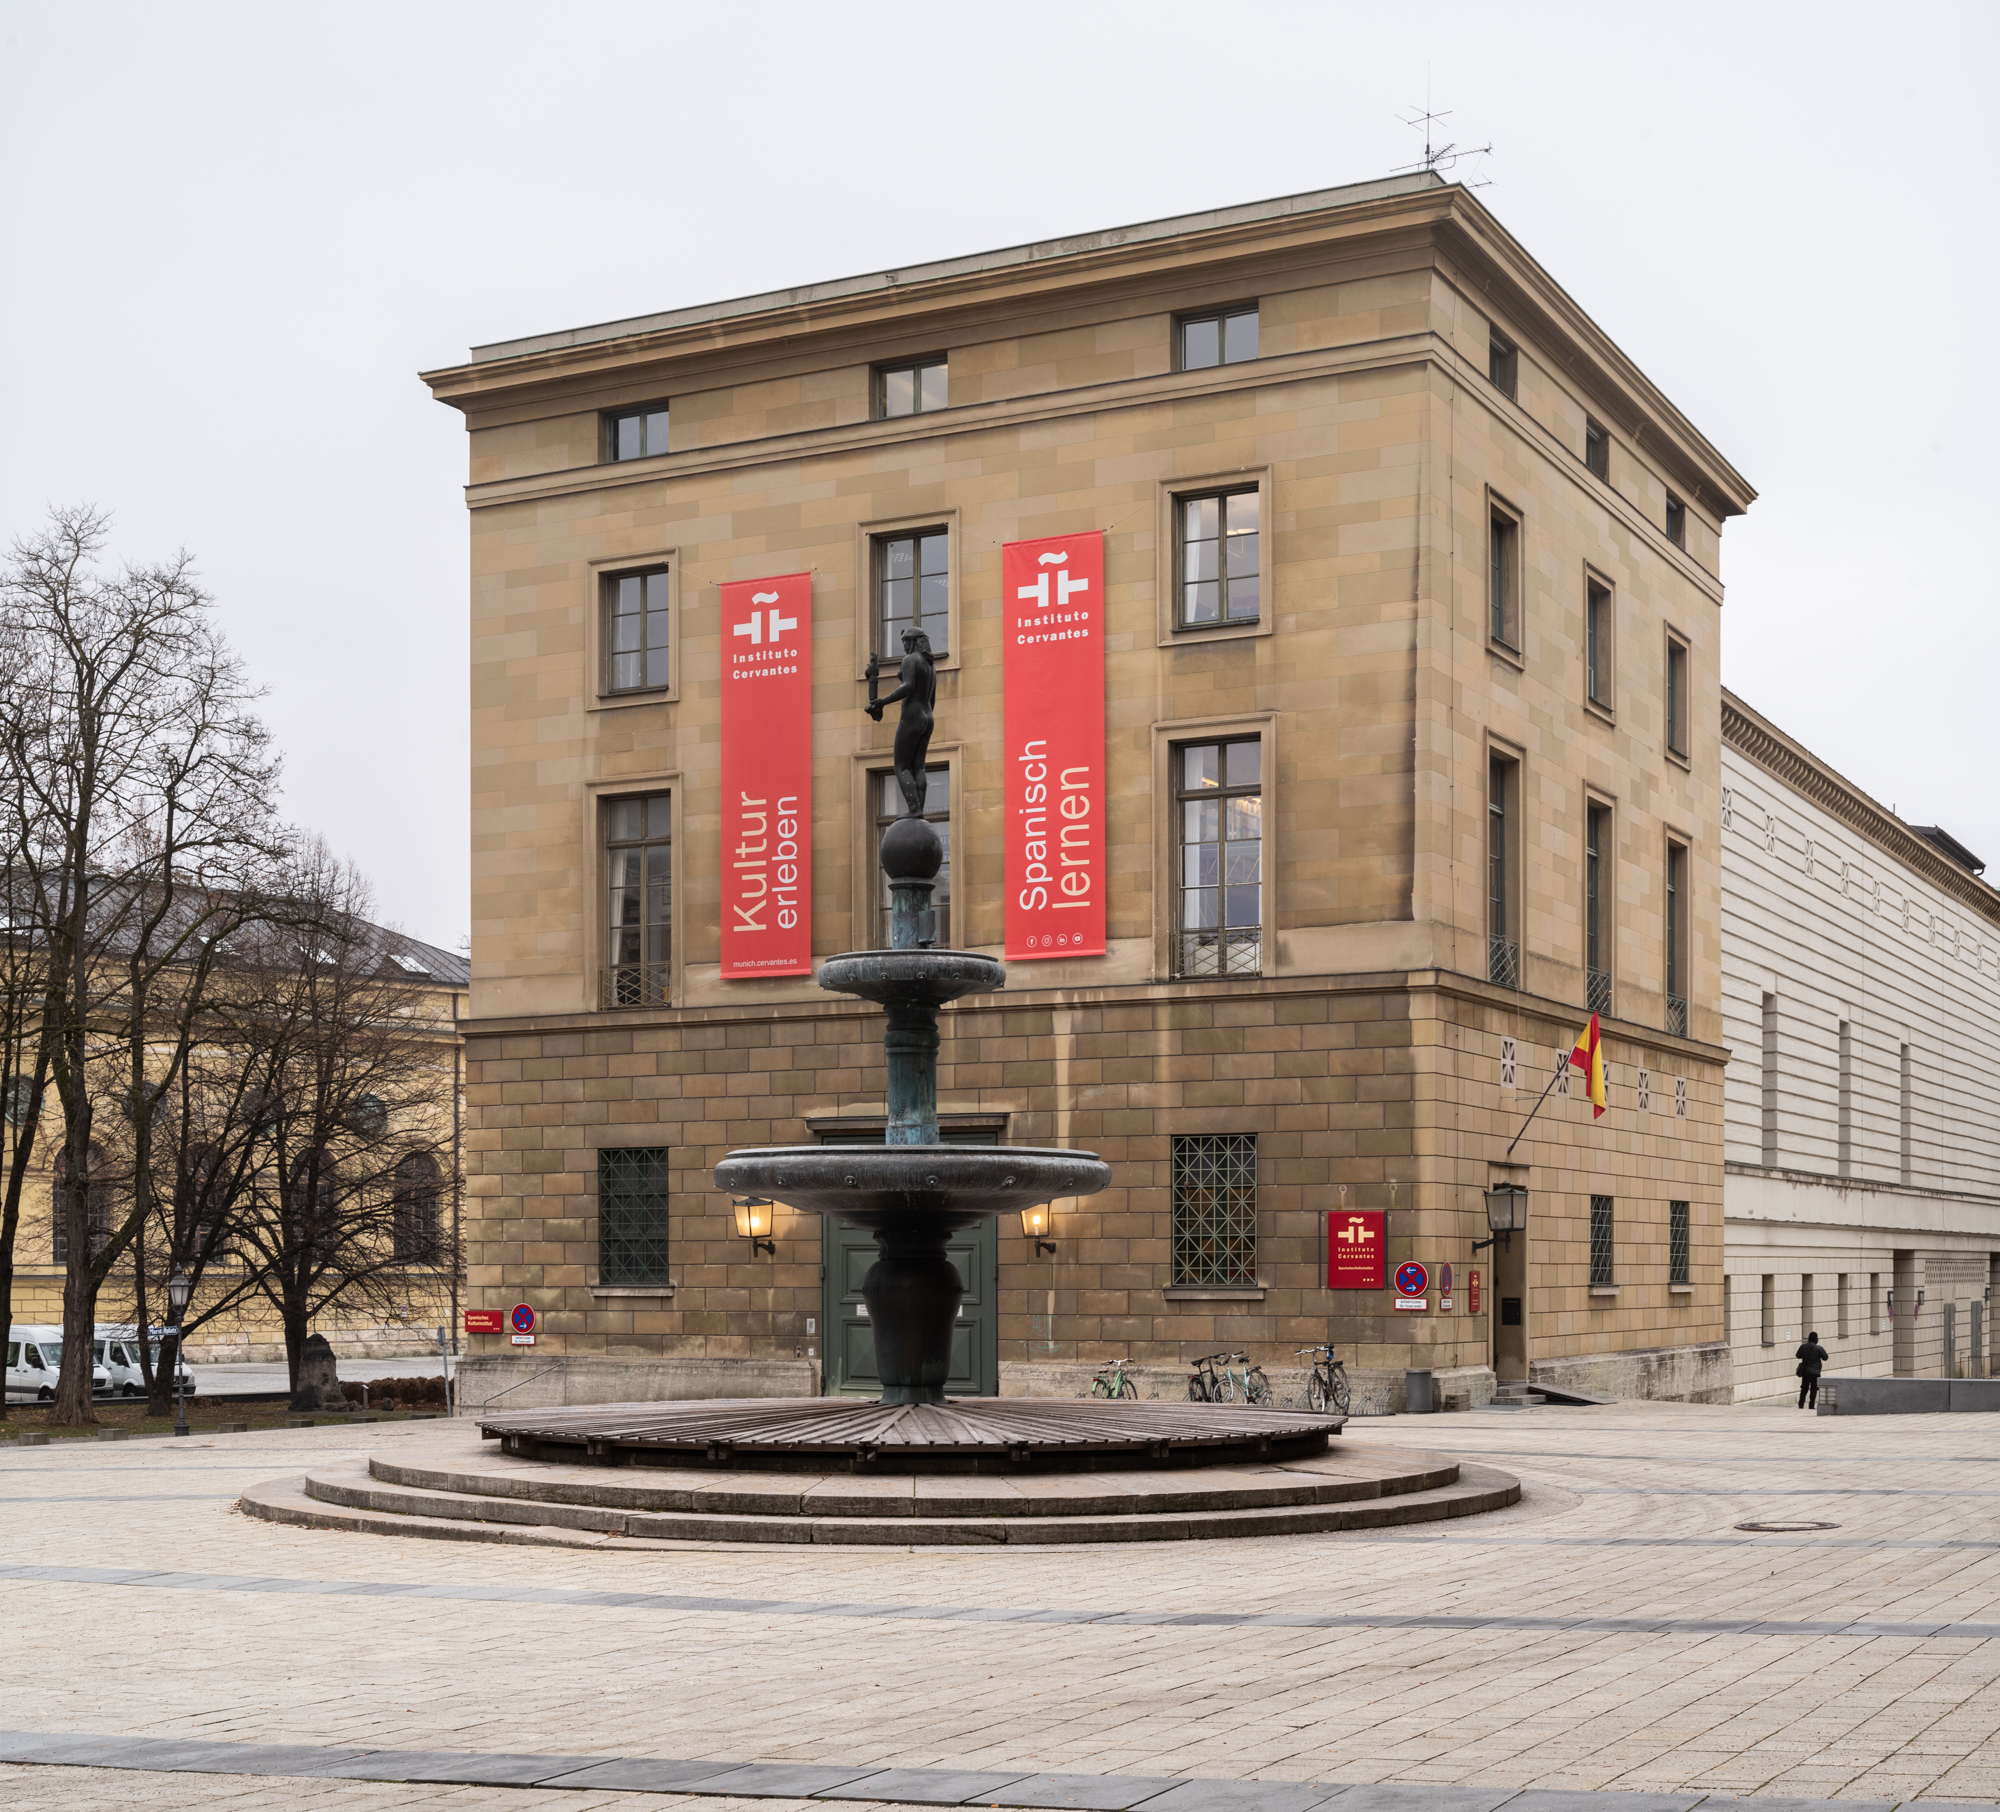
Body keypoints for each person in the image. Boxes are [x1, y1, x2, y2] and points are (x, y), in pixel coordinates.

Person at [1795, 1329, 1829, 1409]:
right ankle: (1811, 1405)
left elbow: (1798, 1355)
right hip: (1815, 1372)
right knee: (1814, 1389)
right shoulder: (1819, 1348)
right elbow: (1825, 1357)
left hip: (1806, 1372)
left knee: (1804, 1388)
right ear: (1816, 1339)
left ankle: (1801, 1404)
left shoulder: (1803, 1347)